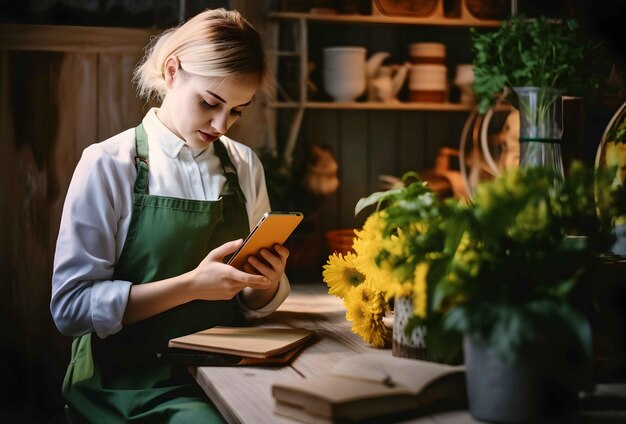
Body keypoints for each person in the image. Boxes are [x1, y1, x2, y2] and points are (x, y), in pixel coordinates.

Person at [50, 8, 290, 422]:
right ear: (173, 71)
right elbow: (70, 309)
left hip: (229, 371)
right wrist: (192, 286)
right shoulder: (108, 163)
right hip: (130, 383)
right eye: (210, 103)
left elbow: (252, 306)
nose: (222, 124)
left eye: (237, 110)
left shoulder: (244, 164)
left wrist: (263, 285)